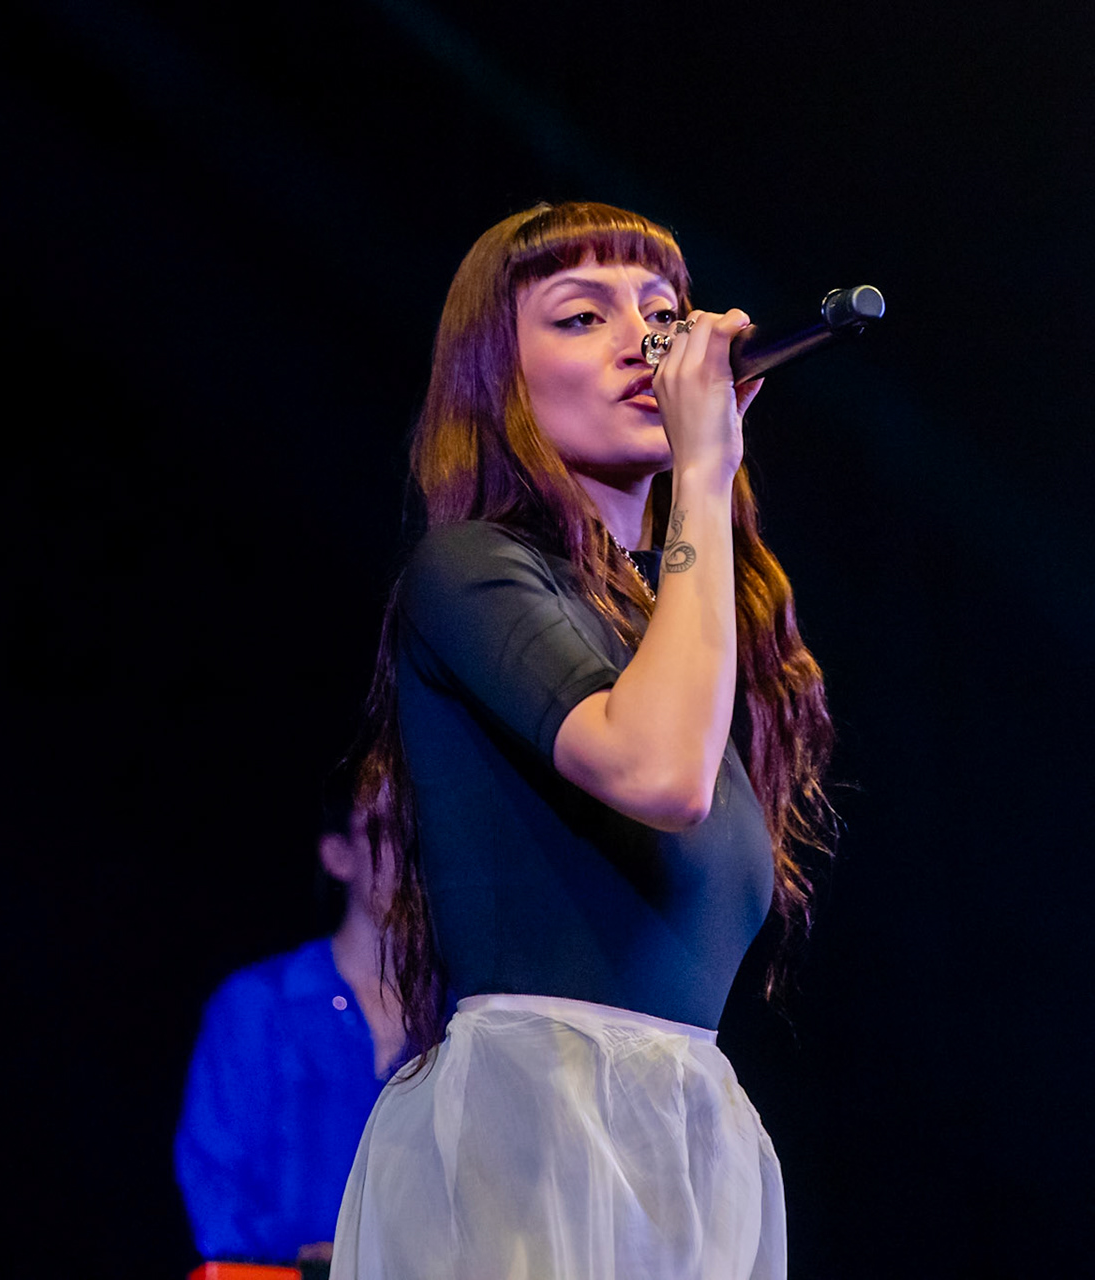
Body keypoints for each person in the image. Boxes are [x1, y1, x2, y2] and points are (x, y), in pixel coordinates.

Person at [331, 201, 836, 1280]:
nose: (641, 343)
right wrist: (702, 476)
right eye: (580, 315)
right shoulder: (468, 568)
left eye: (662, 312)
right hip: (540, 1118)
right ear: (496, 379)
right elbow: (655, 773)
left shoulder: (670, 633)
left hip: (678, 1132)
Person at [176, 780, 405, 1266]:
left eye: (419, 826)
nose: (408, 847)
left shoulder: (458, 1017)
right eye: (385, 829)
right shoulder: (260, 1005)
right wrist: (309, 1257)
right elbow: (212, 1176)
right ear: (338, 855)